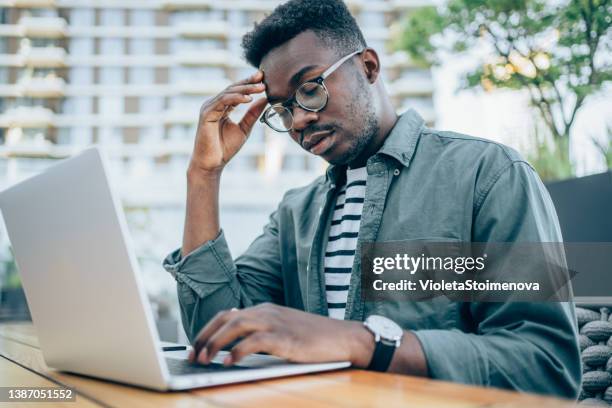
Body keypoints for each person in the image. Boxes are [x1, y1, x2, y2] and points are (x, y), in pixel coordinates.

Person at [163, 0, 580, 398]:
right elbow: (215, 331)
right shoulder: (295, 213)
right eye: (283, 110)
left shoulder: (487, 174)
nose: (301, 119)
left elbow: (545, 365)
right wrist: (204, 175)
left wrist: (364, 343)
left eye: (310, 89)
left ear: (368, 67)